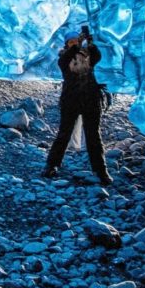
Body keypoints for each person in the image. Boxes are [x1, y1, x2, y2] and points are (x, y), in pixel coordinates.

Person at [43, 27, 112, 185]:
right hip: (71, 101)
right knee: (63, 134)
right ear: (67, 44)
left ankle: (101, 171)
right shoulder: (64, 58)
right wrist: (78, 44)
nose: (75, 43)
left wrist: (90, 40)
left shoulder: (89, 56)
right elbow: (66, 58)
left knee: (93, 137)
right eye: (71, 41)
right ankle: (51, 165)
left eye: (76, 40)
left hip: (91, 100)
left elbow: (97, 55)